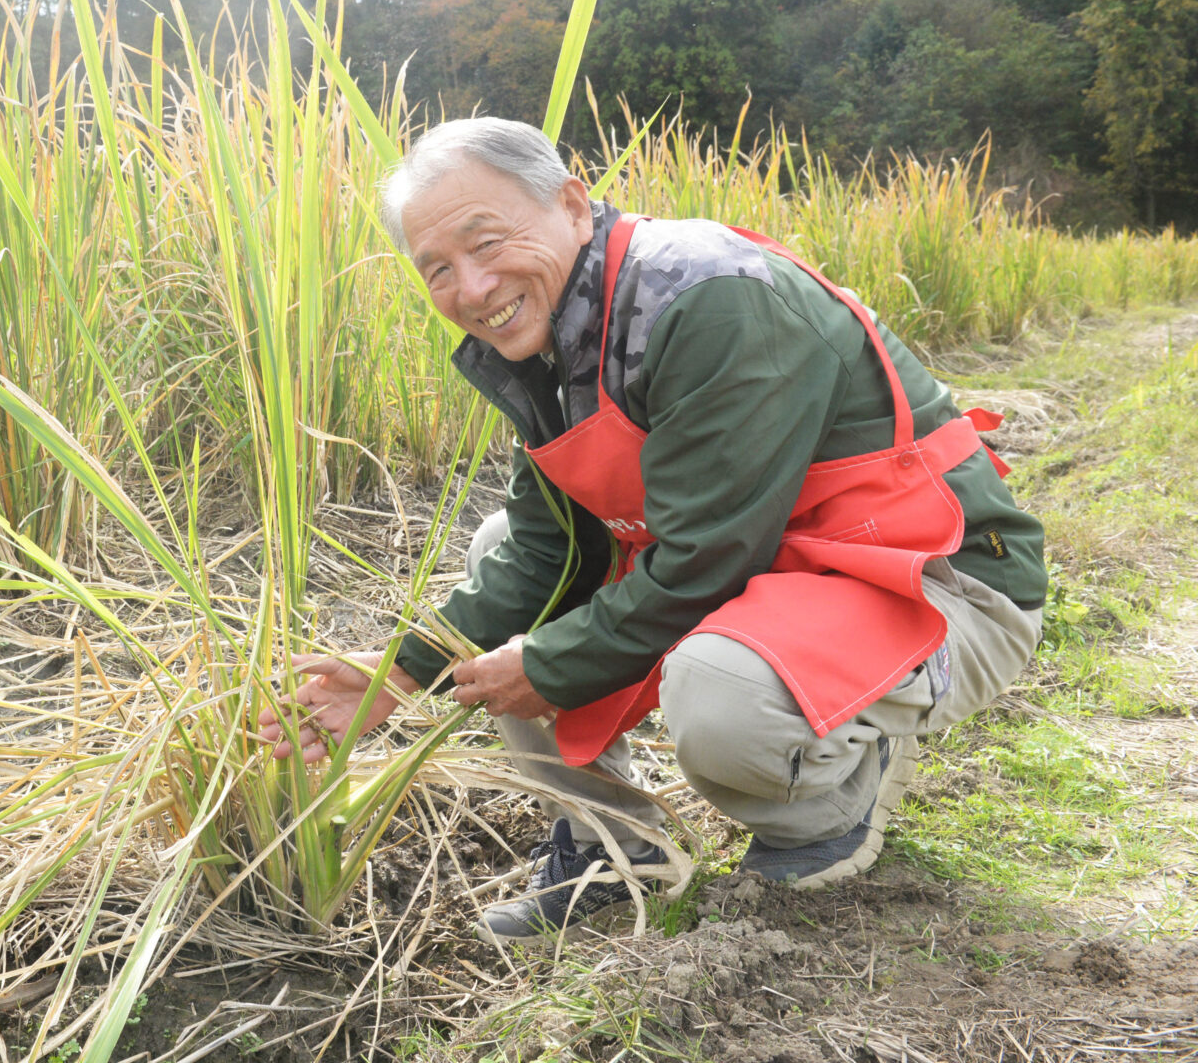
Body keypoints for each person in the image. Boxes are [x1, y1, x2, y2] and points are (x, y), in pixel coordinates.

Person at [259, 118, 1045, 939]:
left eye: (485, 242)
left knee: (722, 687)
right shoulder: (550, 336)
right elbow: (548, 547)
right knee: (500, 546)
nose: (473, 288)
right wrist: (398, 672)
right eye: (438, 271)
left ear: (569, 202)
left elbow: (708, 561)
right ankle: (611, 843)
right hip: (776, 573)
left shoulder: (708, 298)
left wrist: (551, 666)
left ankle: (829, 807)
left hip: (932, 581)